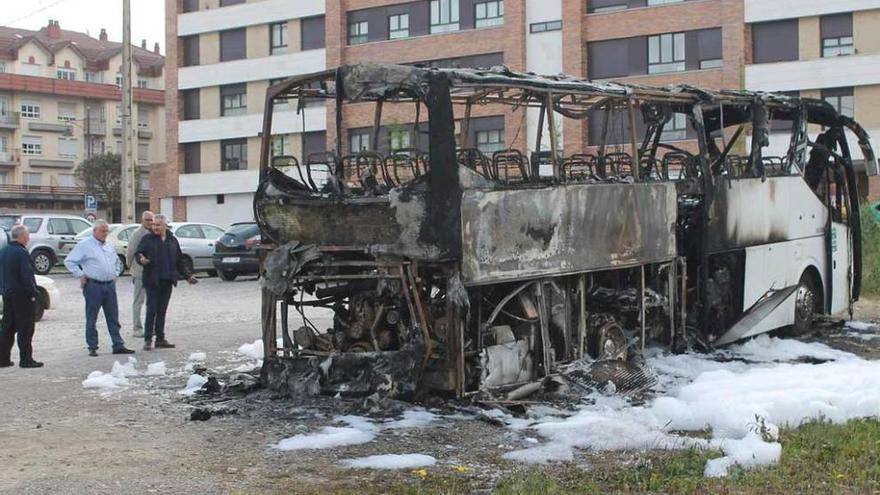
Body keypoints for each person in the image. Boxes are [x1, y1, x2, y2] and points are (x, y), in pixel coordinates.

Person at [64, 220, 135, 356]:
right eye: (102, 231)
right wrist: (80, 274)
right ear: (94, 231)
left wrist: (115, 274)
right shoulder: (85, 245)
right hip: (93, 285)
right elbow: (69, 261)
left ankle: (118, 343)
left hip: (109, 285)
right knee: (92, 316)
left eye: (106, 231)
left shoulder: (109, 245)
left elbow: (116, 262)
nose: (105, 234)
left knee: (113, 316)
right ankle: (92, 345)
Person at [136, 215, 197, 351]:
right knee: (151, 310)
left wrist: (187, 276)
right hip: (152, 280)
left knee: (162, 311)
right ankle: (147, 340)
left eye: (158, 225)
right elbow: (139, 253)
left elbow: (179, 260)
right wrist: (142, 259)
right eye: (153, 225)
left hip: (167, 280)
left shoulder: (172, 240)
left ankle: (160, 338)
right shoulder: (147, 239)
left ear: (165, 226)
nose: (155, 227)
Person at [0, 225, 43, 368]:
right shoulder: (22, 253)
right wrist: (33, 293)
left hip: (8, 294)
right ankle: (26, 359)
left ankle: (3, 359)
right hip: (22, 296)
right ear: (22, 236)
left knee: (7, 327)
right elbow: (27, 276)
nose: (29, 237)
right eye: (28, 235)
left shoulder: (4, 251)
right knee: (25, 328)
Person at [126, 211, 154, 338]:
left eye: (151, 220)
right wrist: (130, 267)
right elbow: (130, 251)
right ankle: (137, 328)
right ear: (142, 220)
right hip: (140, 272)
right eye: (147, 220)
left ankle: (150, 327)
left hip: (152, 273)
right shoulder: (137, 234)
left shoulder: (153, 233)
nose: (149, 222)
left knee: (152, 301)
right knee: (138, 301)